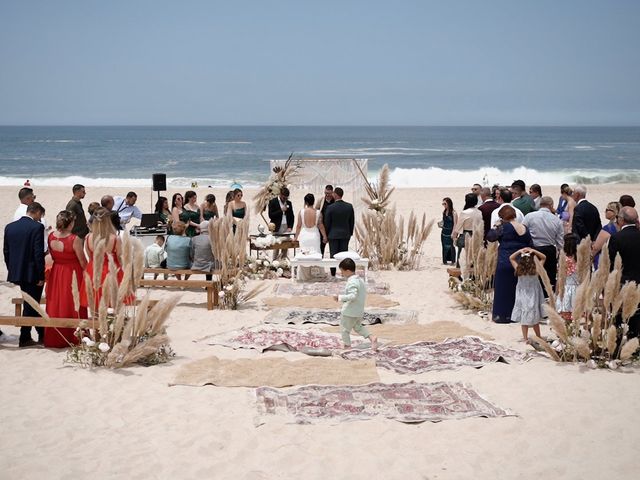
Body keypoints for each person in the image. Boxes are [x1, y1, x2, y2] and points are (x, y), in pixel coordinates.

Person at [4, 202, 46, 347]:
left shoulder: (10, 227)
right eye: (40, 215)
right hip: (32, 272)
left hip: (18, 271)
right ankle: (28, 336)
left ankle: (33, 334)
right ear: (35, 211)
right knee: (32, 304)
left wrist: (12, 269)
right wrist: (41, 275)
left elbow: (6, 252)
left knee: (30, 304)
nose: (40, 219)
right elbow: (37, 253)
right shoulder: (37, 227)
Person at [44, 210, 88, 348]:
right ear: (71, 223)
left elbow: (51, 255)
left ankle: (56, 337)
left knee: (57, 303)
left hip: (57, 272)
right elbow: (82, 261)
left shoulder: (51, 236)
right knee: (73, 303)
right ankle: (75, 337)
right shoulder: (75, 239)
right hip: (72, 272)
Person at [79, 207, 131, 312]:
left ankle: (97, 327)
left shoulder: (88, 237)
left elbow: (90, 256)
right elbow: (120, 257)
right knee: (116, 303)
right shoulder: (115, 238)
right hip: (111, 271)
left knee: (95, 304)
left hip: (93, 270)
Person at [487, 205, 533, 323]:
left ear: (502, 217)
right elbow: (530, 244)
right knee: (517, 289)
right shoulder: (524, 228)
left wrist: (495, 225)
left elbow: (491, 237)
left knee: (503, 289)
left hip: (505, 261)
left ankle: (503, 316)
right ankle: (517, 316)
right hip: (520, 262)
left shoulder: (503, 227)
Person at [608, 207, 640, 338]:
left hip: (623, 282)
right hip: (639, 281)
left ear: (621, 220)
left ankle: (620, 343)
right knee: (637, 315)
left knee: (620, 316)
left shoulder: (616, 238)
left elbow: (611, 263)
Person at [522, 196, 564, 292]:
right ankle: (547, 298)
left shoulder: (529, 216)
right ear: (551, 205)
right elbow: (560, 242)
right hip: (549, 250)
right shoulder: (557, 220)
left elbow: (523, 232)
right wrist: (560, 257)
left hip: (533, 249)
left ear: (540, 205)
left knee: (533, 277)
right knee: (548, 279)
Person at [333, 258, 377, 350]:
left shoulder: (352, 281)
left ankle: (347, 346)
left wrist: (339, 297)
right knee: (358, 327)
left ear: (348, 271)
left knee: (345, 330)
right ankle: (372, 338)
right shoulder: (360, 280)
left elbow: (353, 296)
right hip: (358, 310)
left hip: (350, 311)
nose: (341, 273)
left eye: (342, 271)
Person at [509, 247, 546, 343]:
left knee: (524, 318)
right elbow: (544, 258)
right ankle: (538, 336)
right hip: (533, 295)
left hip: (522, 295)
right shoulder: (536, 270)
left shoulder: (518, 269)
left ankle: (525, 337)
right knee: (535, 318)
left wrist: (519, 251)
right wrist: (533, 251)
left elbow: (511, 258)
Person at [294, 193, 328, 280]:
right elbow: (321, 225)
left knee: (304, 254)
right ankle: (320, 273)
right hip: (314, 235)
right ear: (313, 202)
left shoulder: (301, 212)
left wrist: (295, 237)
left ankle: (304, 276)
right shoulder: (318, 213)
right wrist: (324, 236)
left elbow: (298, 225)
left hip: (304, 235)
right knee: (316, 253)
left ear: (305, 202)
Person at [324, 187, 355, 277]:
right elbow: (352, 221)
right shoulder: (349, 206)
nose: (332, 195)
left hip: (333, 234)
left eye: (333, 193)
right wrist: (350, 233)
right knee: (344, 255)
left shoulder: (330, 207)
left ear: (336, 195)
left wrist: (327, 234)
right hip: (345, 234)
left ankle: (333, 274)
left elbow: (327, 223)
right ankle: (344, 273)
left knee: (333, 255)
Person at [452, 193, 482, 269]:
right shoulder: (479, 212)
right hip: (476, 236)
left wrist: (454, 237)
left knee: (461, 257)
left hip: (465, 235)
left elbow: (458, 227)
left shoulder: (464, 213)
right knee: (474, 257)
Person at [13, 187, 49, 252]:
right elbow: (40, 226)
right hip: (34, 247)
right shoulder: (28, 211)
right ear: (28, 198)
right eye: (34, 197)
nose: (34, 199)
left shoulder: (18, 211)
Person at [556, 233, 578, 322]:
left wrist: (556, 292)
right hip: (578, 288)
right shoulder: (580, 257)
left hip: (566, 288)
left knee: (566, 313)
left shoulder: (563, 258)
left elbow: (560, 277)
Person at [268, 187, 294, 260]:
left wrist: (290, 227)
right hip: (276, 226)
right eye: (283, 197)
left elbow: (292, 216)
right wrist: (281, 210)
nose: (285, 199)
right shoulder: (273, 202)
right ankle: (274, 262)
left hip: (286, 227)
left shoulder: (289, 203)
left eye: (286, 198)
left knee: (285, 246)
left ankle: (283, 262)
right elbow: (271, 215)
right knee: (276, 246)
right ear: (280, 194)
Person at [316, 184, 335, 257]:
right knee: (321, 248)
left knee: (333, 249)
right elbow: (316, 210)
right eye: (325, 193)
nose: (327, 195)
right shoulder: (321, 200)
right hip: (322, 227)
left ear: (332, 192)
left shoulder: (335, 200)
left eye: (328, 193)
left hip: (332, 228)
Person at [440, 197, 457, 265]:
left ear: (449, 204)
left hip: (451, 232)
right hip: (444, 232)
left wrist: (454, 233)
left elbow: (455, 223)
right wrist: (440, 224)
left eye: (445, 203)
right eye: (443, 204)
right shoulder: (444, 212)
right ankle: (445, 261)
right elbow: (444, 221)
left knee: (452, 247)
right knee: (444, 246)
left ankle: (453, 261)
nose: (444, 205)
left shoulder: (454, 213)